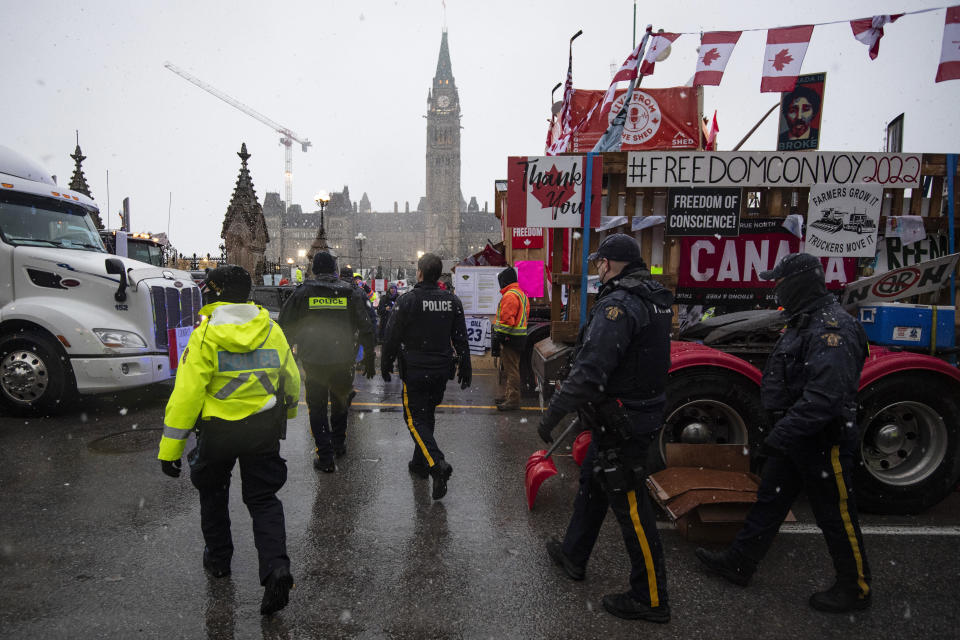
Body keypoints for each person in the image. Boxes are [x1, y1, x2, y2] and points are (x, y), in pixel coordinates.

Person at [695, 252, 871, 613]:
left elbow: (824, 398)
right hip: (795, 436)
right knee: (770, 502)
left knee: (836, 515)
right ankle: (740, 563)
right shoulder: (802, 321)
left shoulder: (830, 328)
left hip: (824, 439)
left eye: (779, 282)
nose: (775, 288)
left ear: (800, 282)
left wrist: (780, 435)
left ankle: (855, 587)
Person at [537, 233, 674, 624]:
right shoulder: (653, 296)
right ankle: (573, 554)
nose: (597, 268)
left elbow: (591, 370)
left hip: (624, 421)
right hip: (629, 414)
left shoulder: (620, 304)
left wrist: (553, 415)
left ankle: (651, 597)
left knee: (631, 509)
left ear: (611, 264)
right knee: (594, 485)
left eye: (600, 262)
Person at [157, 264, 300, 616]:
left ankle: (219, 560)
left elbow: (187, 395)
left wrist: (170, 448)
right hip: (262, 429)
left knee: (214, 493)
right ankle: (276, 566)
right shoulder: (270, 328)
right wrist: (289, 412)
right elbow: (292, 378)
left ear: (216, 291)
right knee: (264, 499)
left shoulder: (204, 334)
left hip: (218, 430)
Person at [381, 252, 471, 500]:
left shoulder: (408, 300)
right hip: (441, 370)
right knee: (427, 415)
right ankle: (419, 463)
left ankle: (437, 464)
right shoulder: (452, 301)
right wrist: (466, 365)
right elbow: (461, 338)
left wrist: (386, 361)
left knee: (414, 420)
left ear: (419, 273)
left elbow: (391, 336)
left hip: (415, 370)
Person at [278, 251, 375, 472]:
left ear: (314, 270)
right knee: (340, 402)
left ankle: (325, 455)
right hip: (343, 359)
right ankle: (339, 444)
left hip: (314, 360)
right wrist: (368, 356)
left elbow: (285, 325)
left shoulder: (303, 292)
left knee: (318, 407)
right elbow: (367, 326)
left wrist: (289, 356)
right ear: (334, 269)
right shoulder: (351, 292)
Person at [491, 265, 529, 411]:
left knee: (511, 370)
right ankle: (508, 395)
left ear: (504, 281)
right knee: (511, 368)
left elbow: (507, 321)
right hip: (518, 338)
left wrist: (499, 337)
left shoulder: (510, 295)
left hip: (511, 339)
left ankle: (513, 399)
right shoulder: (520, 293)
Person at [778, 85, 820, 151]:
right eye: (793, 110)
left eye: (806, 109)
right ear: (785, 114)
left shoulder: (817, 135)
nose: (799, 117)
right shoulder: (780, 138)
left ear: (813, 113)